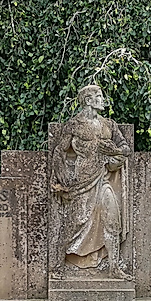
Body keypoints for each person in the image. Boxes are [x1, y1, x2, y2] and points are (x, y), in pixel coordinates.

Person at [50, 85, 131, 278]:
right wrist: (64, 179)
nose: (103, 100)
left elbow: (125, 149)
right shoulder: (74, 125)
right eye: (99, 96)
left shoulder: (109, 125)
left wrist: (113, 155)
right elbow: (59, 152)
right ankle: (58, 265)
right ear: (88, 100)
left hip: (103, 180)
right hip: (81, 182)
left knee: (112, 220)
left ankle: (114, 268)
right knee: (75, 221)